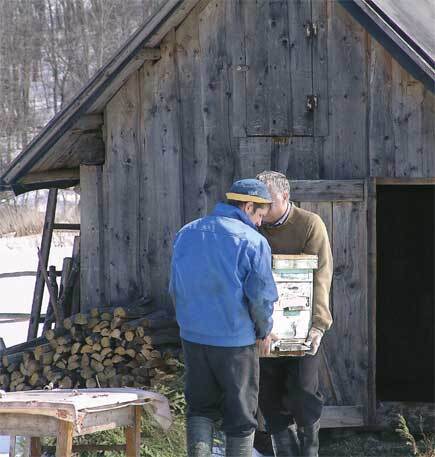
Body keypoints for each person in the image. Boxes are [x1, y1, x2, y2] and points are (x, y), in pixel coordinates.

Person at [169, 179, 279, 457]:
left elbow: (175, 286)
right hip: (235, 343)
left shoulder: (187, 232)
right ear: (248, 206)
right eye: (260, 215)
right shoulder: (253, 241)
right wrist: (264, 330)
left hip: (193, 338)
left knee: (199, 409)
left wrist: (187, 324)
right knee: (241, 417)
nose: (259, 223)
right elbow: (262, 297)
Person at [255, 171, 333, 457]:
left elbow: (321, 276)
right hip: (265, 328)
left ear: (285, 196)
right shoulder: (254, 227)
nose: (263, 209)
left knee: (304, 392)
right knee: (269, 395)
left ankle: (308, 451)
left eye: (269, 202)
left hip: (302, 325)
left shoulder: (310, 224)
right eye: (258, 203)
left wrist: (319, 325)